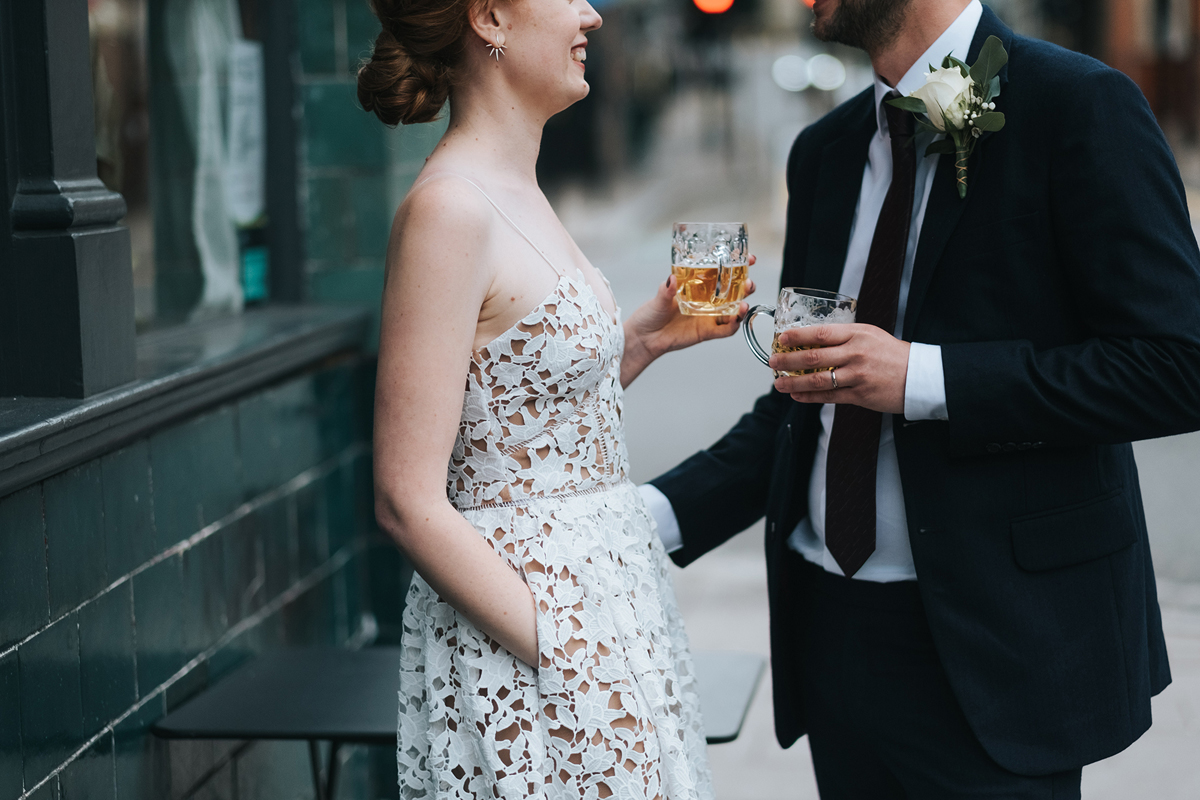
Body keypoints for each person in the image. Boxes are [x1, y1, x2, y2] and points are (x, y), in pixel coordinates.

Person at [642, 0, 1200, 797]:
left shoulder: (1082, 106)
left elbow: (1177, 364)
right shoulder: (822, 154)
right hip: (832, 637)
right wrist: (642, 524)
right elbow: (806, 406)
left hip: (1004, 651)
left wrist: (924, 380)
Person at [360, 0, 755, 797]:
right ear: (492, 19)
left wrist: (641, 339)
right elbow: (407, 498)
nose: (593, 15)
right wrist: (567, 648)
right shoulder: (449, 210)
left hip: (611, 603)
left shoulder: (521, 189)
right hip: (530, 633)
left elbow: (516, 417)